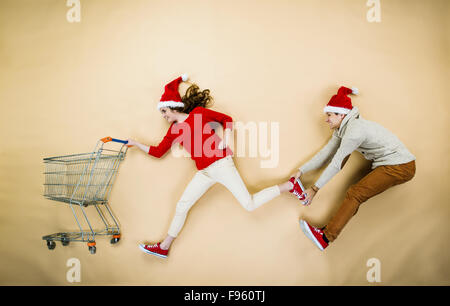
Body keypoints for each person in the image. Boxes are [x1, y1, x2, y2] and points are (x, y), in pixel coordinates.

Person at [127, 74, 304, 258]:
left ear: (173, 106)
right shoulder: (173, 131)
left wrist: (225, 141)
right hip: (204, 172)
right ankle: (164, 247)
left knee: (249, 204)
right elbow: (157, 152)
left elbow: (227, 119)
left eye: (164, 111)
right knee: (182, 206)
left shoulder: (198, 114)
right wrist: (136, 143)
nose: (163, 116)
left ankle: (290, 185)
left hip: (221, 165)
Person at [294, 86, 416, 251]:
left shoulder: (354, 131)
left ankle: (326, 237)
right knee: (356, 194)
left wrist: (315, 189)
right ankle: (325, 233)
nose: (326, 119)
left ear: (341, 114)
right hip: (390, 164)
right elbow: (325, 154)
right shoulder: (343, 129)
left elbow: (337, 163)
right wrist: (301, 170)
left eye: (329, 115)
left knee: (356, 194)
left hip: (400, 165)